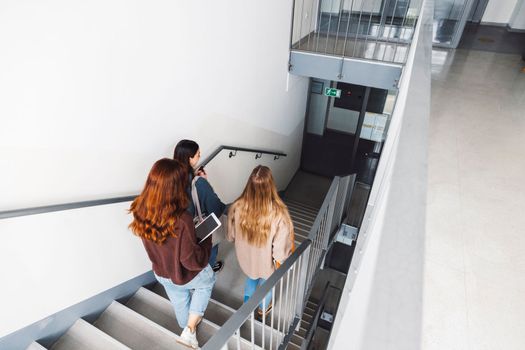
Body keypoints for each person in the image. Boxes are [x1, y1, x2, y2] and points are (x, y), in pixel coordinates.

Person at [129, 158, 215, 349]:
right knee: (207, 282)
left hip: (161, 272)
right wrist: (206, 241)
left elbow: (169, 242)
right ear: (175, 187)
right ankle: (191, 331)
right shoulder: (182, 219)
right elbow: (191, 261)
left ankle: (186, 327)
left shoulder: (140, 209)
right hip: (183, 273)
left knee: (179, 300)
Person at [227, 165, 294, 316]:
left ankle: (246, 309)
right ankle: (263, 310)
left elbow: (230, 236)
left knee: (251, 278)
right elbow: (280, 254)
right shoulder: (279, 214)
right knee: (267, 285)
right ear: (271, 186)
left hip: (247, 260)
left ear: (249, 185)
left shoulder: (237, 206)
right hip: (266, 263)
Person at [174, 139, 226, 273]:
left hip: (178, 230)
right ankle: (208, 271)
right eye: (198, 154)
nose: (200, 156)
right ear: (190, 158)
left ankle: (192, 275)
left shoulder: (171, 178)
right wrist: (204, 182)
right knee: (209, 247)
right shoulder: (199, 183)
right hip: (199, 228)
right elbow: (217, 208)